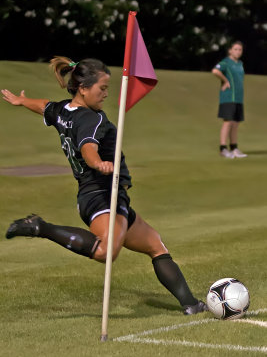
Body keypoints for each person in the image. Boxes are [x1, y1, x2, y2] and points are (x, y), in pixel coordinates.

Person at [1, 56, 208, 315]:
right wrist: (98, 163)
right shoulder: (92, 119)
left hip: (105, 194)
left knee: (155, 245)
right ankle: (41, 227)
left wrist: (22, 102)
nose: (105, 94)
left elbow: (45, 106)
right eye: (102, 88)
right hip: (101, 194)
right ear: (84, 88)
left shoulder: (66, 110)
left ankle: (191, 304)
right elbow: (88, 146)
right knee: (106, 252)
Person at [212, 41, 247, 158]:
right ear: (230, 50)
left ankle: (234, 148)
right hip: (228, 97)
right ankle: (223, 149)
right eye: (235, 49)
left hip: (238, 98)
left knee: (236, 123)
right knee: (228, 122)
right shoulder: (226, 62)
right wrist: (225, 80)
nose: (238, 52)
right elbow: (215, 71)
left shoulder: (240, 63)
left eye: (240, 50)